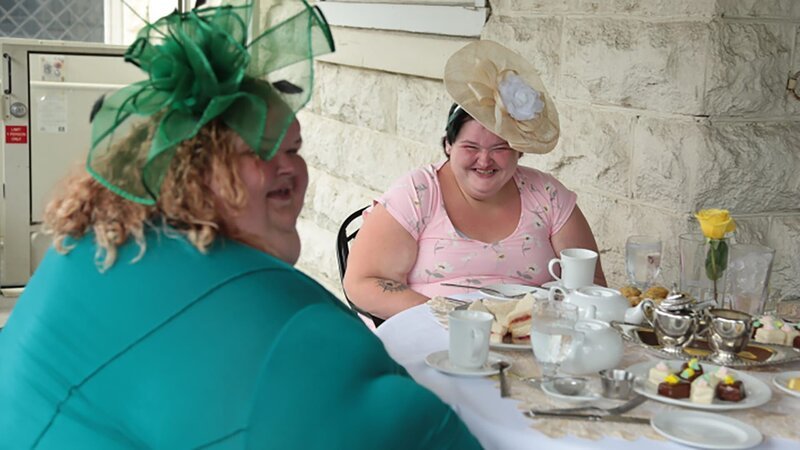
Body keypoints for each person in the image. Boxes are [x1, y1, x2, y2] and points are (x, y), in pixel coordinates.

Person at [0, 2, 480, 448]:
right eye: (258, 151)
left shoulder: (100, 244)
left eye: (293, 148)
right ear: (193, 170)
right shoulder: (275, 321)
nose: (288, 168)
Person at [344, 40, 606, 320]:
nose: (484, 161)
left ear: (518, 150)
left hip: (531, 340)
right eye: (470, 148)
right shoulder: (417, 194)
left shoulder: (547, 195)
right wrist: (449, 316)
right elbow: (361, 283)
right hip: (434, 336)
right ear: (448, 145)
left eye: (500, 149)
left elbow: (594, 286)